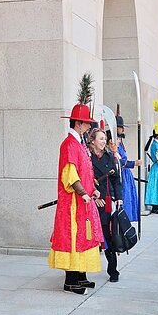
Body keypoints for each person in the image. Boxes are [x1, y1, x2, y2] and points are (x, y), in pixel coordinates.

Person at [49, 102, 104, 295]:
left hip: (83, 201)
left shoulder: (79, 144)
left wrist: (92, 189)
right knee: (73, 238)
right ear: (79, 124)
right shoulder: (69, 145)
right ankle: (71, 281)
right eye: (87, 123)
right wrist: (83, 193)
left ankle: (81, 276)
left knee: (84, 237)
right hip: (73, 203)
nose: (89, 127)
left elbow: (84, 172)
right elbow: (70, 175)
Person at [88, 128, 123, 282]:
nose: (104, 141)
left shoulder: (109, 157)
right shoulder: (87, 157)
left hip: (107, 201)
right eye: (101, 139)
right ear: (93, 140)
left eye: (104, 139)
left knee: (109, 235)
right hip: (91, 201)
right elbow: (83, 179)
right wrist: (93, 194)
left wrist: (119, 197)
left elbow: (115, 179)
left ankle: (113, 270)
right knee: (90, 235)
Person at [115, 108, 141, 221]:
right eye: (120, 127)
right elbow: (117, 160)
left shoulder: (120, 141)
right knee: (124, 198)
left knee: (129, 198)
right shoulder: (113, 142)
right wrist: (133, 163)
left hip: (126, 174)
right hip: (121, 173)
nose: (122, 129)